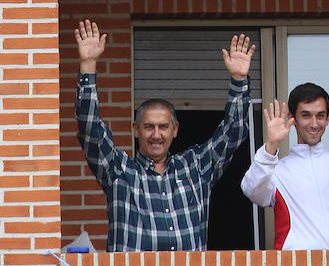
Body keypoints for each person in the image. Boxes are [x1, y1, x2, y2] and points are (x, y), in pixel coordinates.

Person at [74, 18, 254, 251]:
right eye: (149, 127)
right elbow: (90, 129)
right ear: (136, 130)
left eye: (163, 127)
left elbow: (233, 131)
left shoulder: (195, 167)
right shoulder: (118, 170)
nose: (156, 134)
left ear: (175, 129)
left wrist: (239, 81)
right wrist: (88, 65)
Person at [240, 81, 329, 248]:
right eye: (306, 115)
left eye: (320, 115)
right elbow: (252, 190)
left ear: (328, 118)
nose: (314, 123)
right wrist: (272, 144)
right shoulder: (277, 171)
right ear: (292, 118)